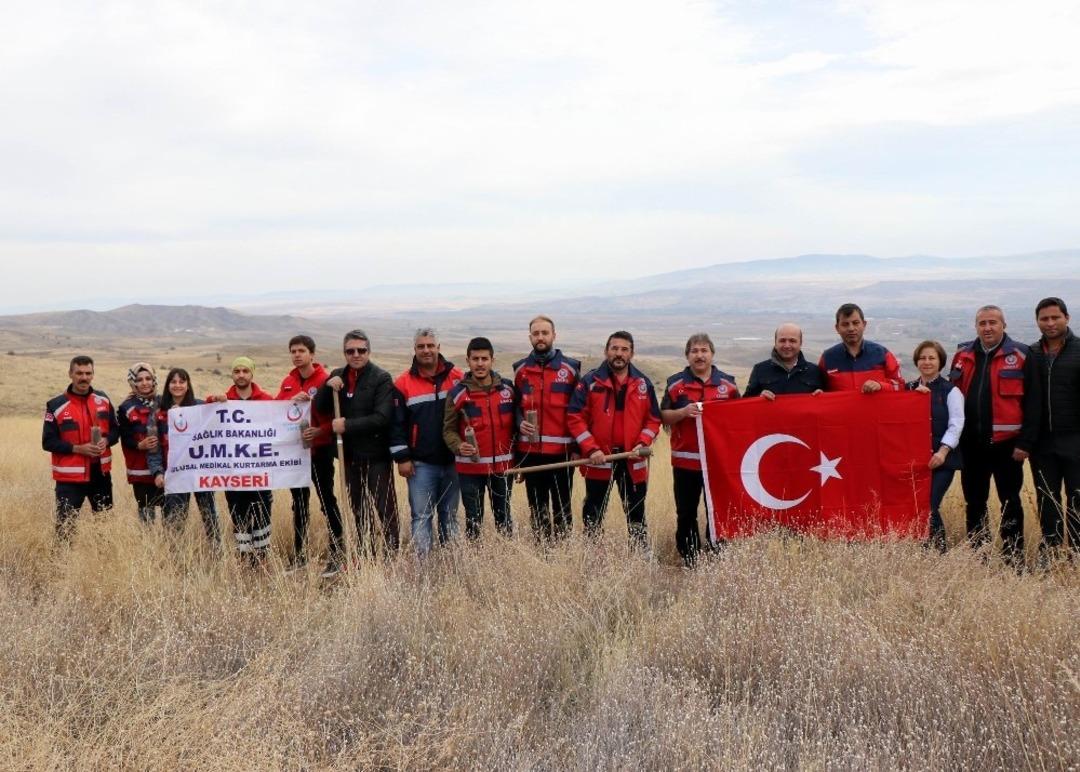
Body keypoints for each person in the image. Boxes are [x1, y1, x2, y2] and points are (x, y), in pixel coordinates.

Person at [949, 305, 1040, 562]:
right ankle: (979, 555)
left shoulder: (1022, 354)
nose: (987, 328)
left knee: (1010, 501)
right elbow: (951, 395)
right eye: (982, 323)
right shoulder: (962, 354)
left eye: (993, 322)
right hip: (971, 445)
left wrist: (1026, 443)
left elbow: (1033, 403)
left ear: (1004, 325)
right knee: (974, 502)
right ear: (976, 326)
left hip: (1007, 447)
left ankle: (1014, 556)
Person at [567, 331, 661, 549]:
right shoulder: (589, 382)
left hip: (632, 459)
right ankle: (592, 554)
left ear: (632, 354)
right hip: (599, 459)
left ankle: (640, 555)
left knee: (636, 510)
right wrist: (591, 450)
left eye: (624, 349)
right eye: (614, 348)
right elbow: (575, 418)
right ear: (606, 351)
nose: (619, 353)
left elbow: (654, 419)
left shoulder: (643, 384)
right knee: (594, 510)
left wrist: (642, 443)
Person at [315, 329, 398, 570]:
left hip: (376, 457)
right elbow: (320, 407)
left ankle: (392, 559)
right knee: (360, 512)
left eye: (361, 350)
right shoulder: (337, 375)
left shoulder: (381, 377)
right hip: (349, 458)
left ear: (368, 352)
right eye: (350, 351)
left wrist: (346, 425)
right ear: (344, 353)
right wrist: (326, 386)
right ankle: (365, 558)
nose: (356, 354)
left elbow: (382, 417)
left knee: (386, 511)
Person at [660, 333, 739, 565]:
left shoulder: (728, 384)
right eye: (694, 351)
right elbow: (662, 415)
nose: (700, 355)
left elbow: (739, 418)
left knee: (718, 511)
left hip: (717, 464)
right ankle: (690, 557)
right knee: (686, 512)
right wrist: (683, 413)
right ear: (687, 356)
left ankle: (717, 555)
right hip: (685, 463)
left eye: (704, 350)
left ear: (712, 354)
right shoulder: (675, 384)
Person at [391, 327, 463, 557]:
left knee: (449, 516)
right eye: (421, 346)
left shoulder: (458, 378)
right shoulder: (403, 383)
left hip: (453, 461)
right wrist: (402, 457)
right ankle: (423, 569)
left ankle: (451, 564)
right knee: (421, 516)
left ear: (439, 348)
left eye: (430, 345)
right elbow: (396, 424)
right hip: (421, 465)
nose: (426, 350)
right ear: (415, 350)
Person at [513, 315, 581, 541]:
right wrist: (518, 421)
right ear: (530, 337)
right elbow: (514, 406)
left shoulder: (571, 369)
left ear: (554, 335)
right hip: (531, 454)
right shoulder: (520, 369)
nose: (540, 337)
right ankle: (542, 551)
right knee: (537, 507)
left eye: (545, 333)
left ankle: (563, 552)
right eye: (536, 333)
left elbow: (579, 411)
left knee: (563, 507)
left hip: (562, 453)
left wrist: (578, 446)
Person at [443, 337, 517, 540]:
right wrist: (459, 447)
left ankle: (507, 556)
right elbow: (448, 430)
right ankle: (476, 564)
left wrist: (519, 462)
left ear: (492, 360)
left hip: (503, 469)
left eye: (484, 358)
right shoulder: (457, 394)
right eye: (475, 359)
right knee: (473, 521)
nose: (480, 363)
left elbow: (516, 428)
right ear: (468, 360)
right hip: (470, 470)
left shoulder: (508, 390)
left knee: (504, 518)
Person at [275, 334, 338, 567]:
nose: (297, 355)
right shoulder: (288, 381)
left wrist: (319, 431)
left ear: (312, 354)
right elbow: (275, 410)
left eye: (301, 351)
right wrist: (291, 399)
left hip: (319, 452)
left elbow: (334, 417)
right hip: (295, 455)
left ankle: (338, 550)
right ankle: (300, 553)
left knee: (326, 501)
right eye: (293, 351)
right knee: (299, 504)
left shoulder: (325, 380)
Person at [42, 355, 120, 536]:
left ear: (93, 374)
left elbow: (116, 432)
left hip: (100, 475)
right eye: (79, 373)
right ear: (70, 374)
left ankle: (103, 563)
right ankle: (61, 563)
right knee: (65, 528)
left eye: (88, 373)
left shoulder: (104, 400)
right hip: (70, 480)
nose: (84, 377)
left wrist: (107, 441)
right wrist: (78, 448)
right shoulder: (56, 405)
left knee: (105, 526)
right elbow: (48, 442)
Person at [208, 357, 276, 563]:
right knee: (238, 513)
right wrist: (212, 400)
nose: (241, 375)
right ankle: (244, 556)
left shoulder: (265, 400)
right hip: (233, 473)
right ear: (232, 374)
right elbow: (202, 416)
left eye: (245, 371)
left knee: (262, 513)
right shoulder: (223, 400)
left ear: (252, 373)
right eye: (237, 371)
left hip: (259, 472)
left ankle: (262, 558)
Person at [1028, 297, 1080, 560]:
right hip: (1043, 444)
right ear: (1037, 322)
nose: (1050, 323)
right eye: (1044, 319)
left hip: (1076, 440)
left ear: (1067, 318)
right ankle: (1051, 551)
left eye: (1055, 317)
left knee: (1078, 498)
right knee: (1047, 499)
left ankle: (1076, 553)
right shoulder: (1031, 354)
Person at [907, 341, 964, 550]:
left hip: (941, 461)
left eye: (932, 357)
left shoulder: (951, 391)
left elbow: (956, 424)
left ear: (940, 361)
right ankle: (920, 547)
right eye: (922, 357)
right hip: (915, 460)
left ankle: (939, 550)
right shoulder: (908, 389)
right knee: (913, 505)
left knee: (929, 505)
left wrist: (943, 452)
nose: (927, 362)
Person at [156, 367, 220, 541]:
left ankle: (217, 556)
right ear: (168, 385)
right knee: (174, 519)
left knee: (210, 517)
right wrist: (158, 472)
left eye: (182, 381)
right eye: (173, 381)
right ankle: (176, 560)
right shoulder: (160, 412)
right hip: (175, 473)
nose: (177, 385)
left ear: (188, 384)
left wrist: (219, 400)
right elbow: (154, 448)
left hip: (201, 471)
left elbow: (218, 427)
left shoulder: (199, 407)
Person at [117, 363, 166, 523]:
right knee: (146, 518)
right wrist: (140, 445)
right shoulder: (126, 407)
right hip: (140, 471)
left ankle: (169, 547)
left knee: (170, 514)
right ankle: (148, 547)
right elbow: (124, 436)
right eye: (139, 379)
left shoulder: (165, 402)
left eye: (148, 378)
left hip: (165, 470)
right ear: (133, 382)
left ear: (154, 380)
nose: (145, 383)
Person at [819, 303, 903, 392]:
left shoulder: (883, 354)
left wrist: (880, 386)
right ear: (837, 328)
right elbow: (819, 389)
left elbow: (900, 386)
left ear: (864, 324)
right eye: (845, 324)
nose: (851, 328)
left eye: (855, 323)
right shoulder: (827, 358)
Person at [745, 323, 825, 398]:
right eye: (782, 340)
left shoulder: (815, 371)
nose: (787, 345)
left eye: (792, 341)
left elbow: (827, 404)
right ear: (775, 343)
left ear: (800, 343)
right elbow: (745, 403)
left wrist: (822, 397)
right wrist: (759, 397)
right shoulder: (760, 370)